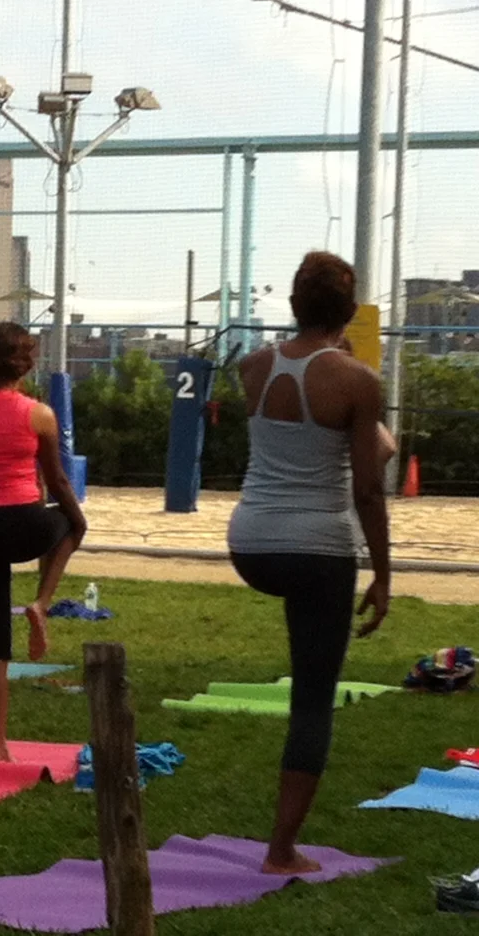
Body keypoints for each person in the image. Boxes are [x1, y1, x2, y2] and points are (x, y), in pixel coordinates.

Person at [228, 251, 390, 875]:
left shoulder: (252, 367)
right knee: (314, 699)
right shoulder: (356, 380)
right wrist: (384, 572)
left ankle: (281, 846)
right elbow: (368, 490)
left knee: (308, 663)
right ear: (348, 312)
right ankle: (280, 849)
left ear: (293, 306)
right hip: (317, 546)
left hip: (251, 542)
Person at [0, 322, 87, 763]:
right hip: (24, 522)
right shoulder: (38, 413)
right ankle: (42, 603)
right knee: (69, 527)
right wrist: (76, 520)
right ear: (24, 366)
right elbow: (57, 480)